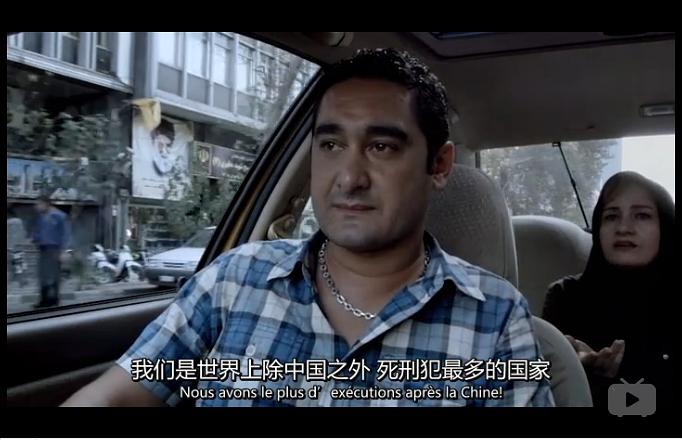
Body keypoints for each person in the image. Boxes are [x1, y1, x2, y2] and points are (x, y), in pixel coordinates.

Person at [62, 48, 553, 407]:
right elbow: (116, 397)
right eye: (331, 146)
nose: (349, 178)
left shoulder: (495, 318)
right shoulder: (233, 280)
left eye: (382, 147)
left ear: (439, 165)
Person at [542, 171, 675, 409]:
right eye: (611, 216)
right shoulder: (566, 297)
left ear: (665, 227)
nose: (623, 228)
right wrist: (574, 370)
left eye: (642, 215)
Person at [32, 195, 70, 308]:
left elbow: (65, 234)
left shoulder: (59, 216)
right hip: (43, 248)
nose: (37, 206)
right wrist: (35, 238)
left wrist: (64, 251)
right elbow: (38, 231)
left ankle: (54, 299)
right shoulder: (40, 216)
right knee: (43, 274)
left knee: (54, 274)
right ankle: (43, 299)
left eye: (39, 204)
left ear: (46, 204)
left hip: (54, 249)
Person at [7, 205, 28, 286]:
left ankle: (19, 280)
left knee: (15, 264)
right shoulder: (20, 221)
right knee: (20, 263)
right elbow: (23, 233)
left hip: (11, 246)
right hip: (19, 245)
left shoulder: (8, 222)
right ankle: (23, 279)